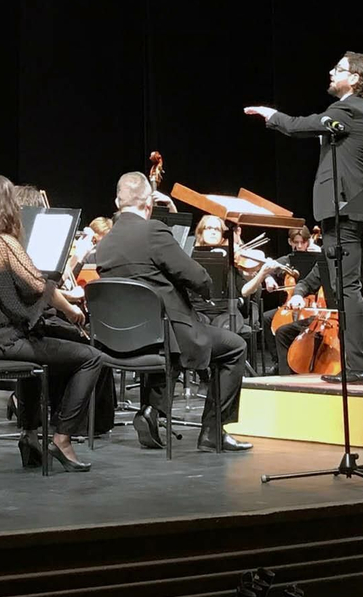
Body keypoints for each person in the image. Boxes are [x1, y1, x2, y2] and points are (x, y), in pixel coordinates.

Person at [246, 51, 363, 383]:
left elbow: (304, 125)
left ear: (355, 77)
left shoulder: (348, 108)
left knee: (349, 289)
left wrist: (273, 116)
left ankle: (357, 367)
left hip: (344, 212)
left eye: (338, 68)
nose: (331, 71)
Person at [93, 171, 251, 454]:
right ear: (149, 204)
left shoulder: (104, 243)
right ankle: (213, 433)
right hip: (165, 335)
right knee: (234, 347)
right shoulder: (153, 231)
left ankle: (153, 410)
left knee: (173, 333)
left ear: (117, 201)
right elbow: (197, 277)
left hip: (119, 340)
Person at [0, 173, 101, 472]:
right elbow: (39, 286)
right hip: (6, 343)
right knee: (91, 358)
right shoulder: (5, 244)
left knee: (40, 346)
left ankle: (29, 435)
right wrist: (72, 310)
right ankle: (62, 437)